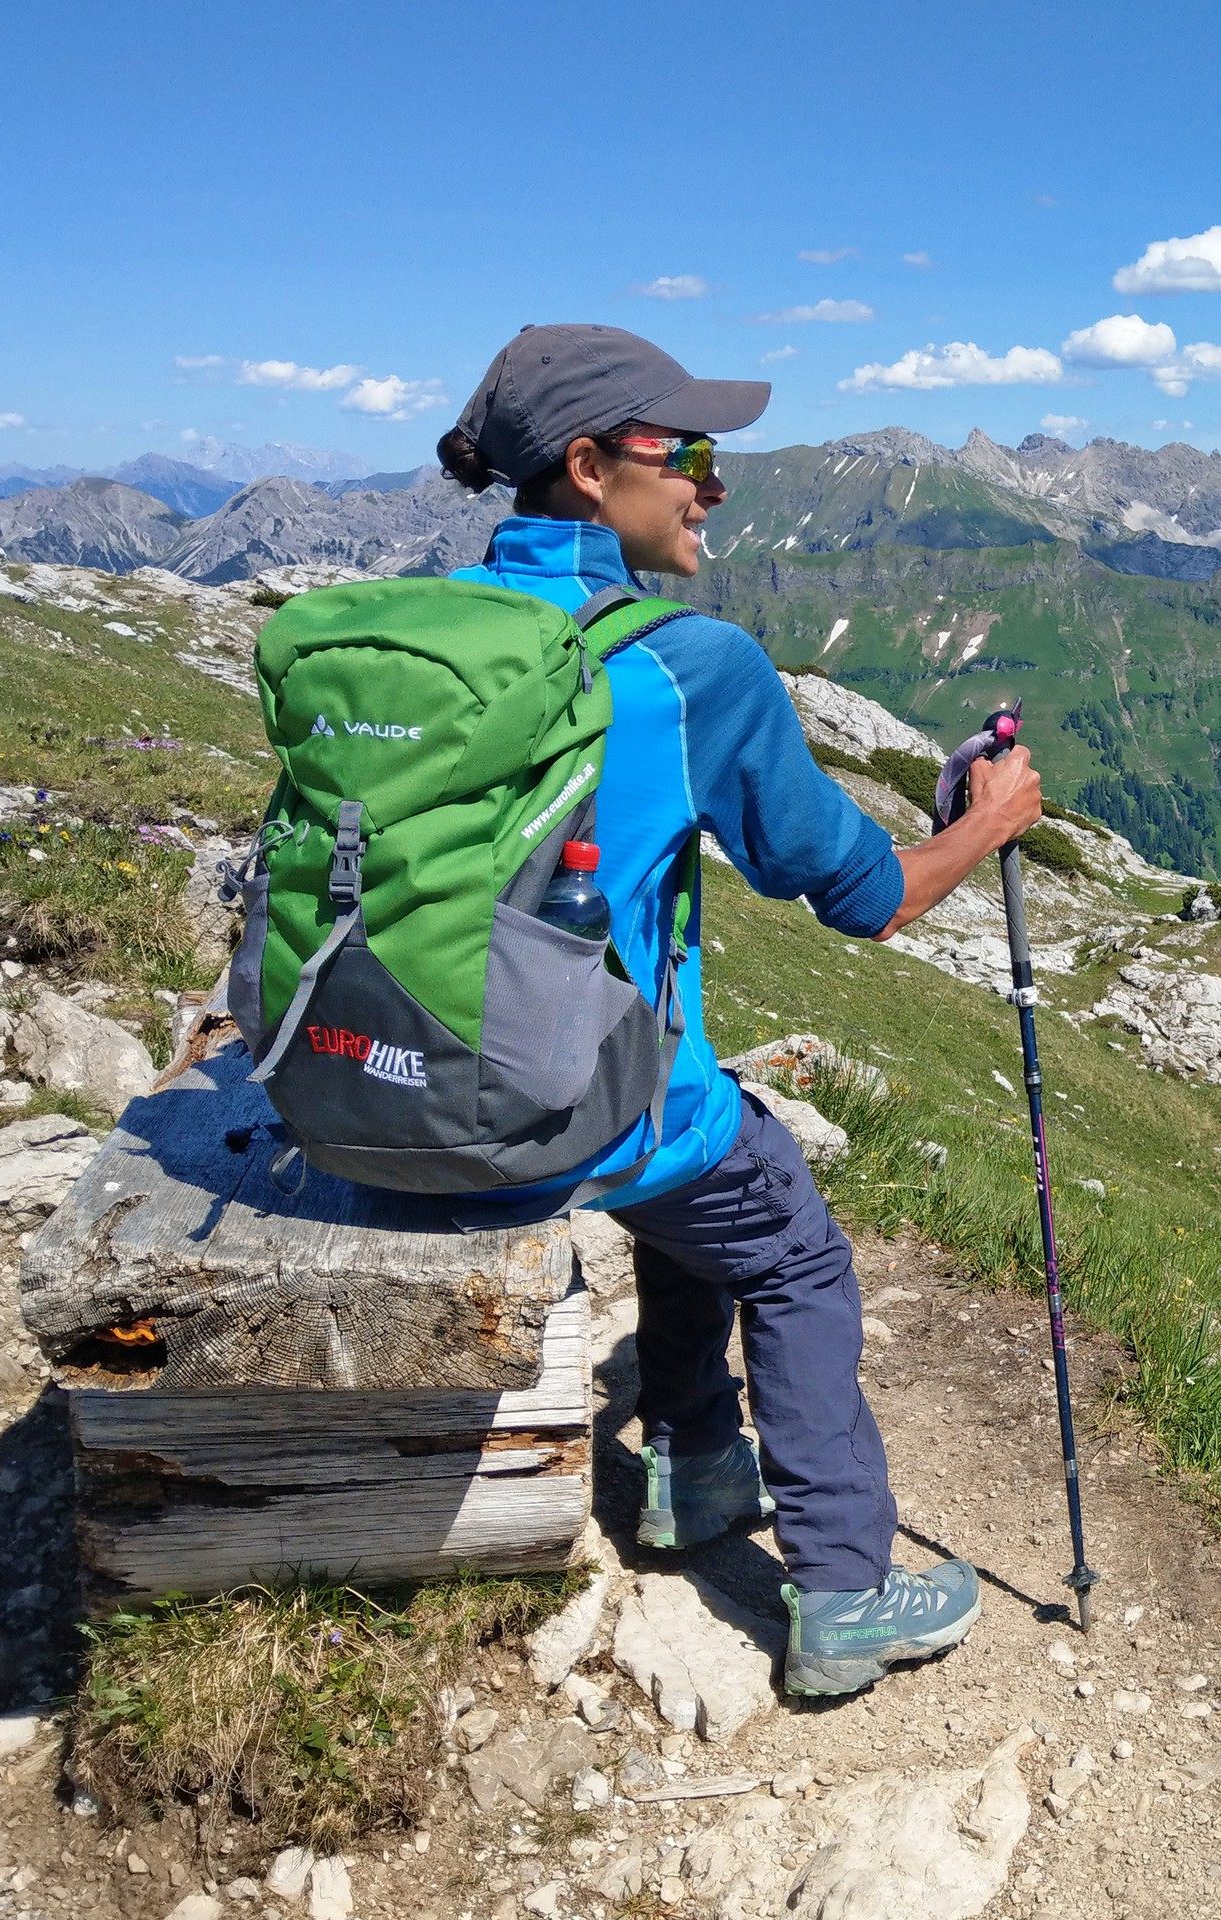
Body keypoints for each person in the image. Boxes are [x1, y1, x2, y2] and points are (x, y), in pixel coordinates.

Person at [433, 323, 1041, 1697]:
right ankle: (840, 1592)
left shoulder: (443, 633)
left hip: (389, 1075)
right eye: (691, 454)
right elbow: (867, 894)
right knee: (792, 1245)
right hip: (563, 1101)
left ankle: (697, 1471)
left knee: (704, 1149)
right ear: (589, 469)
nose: (716, 486)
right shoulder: (684, 665)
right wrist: (989, 820)